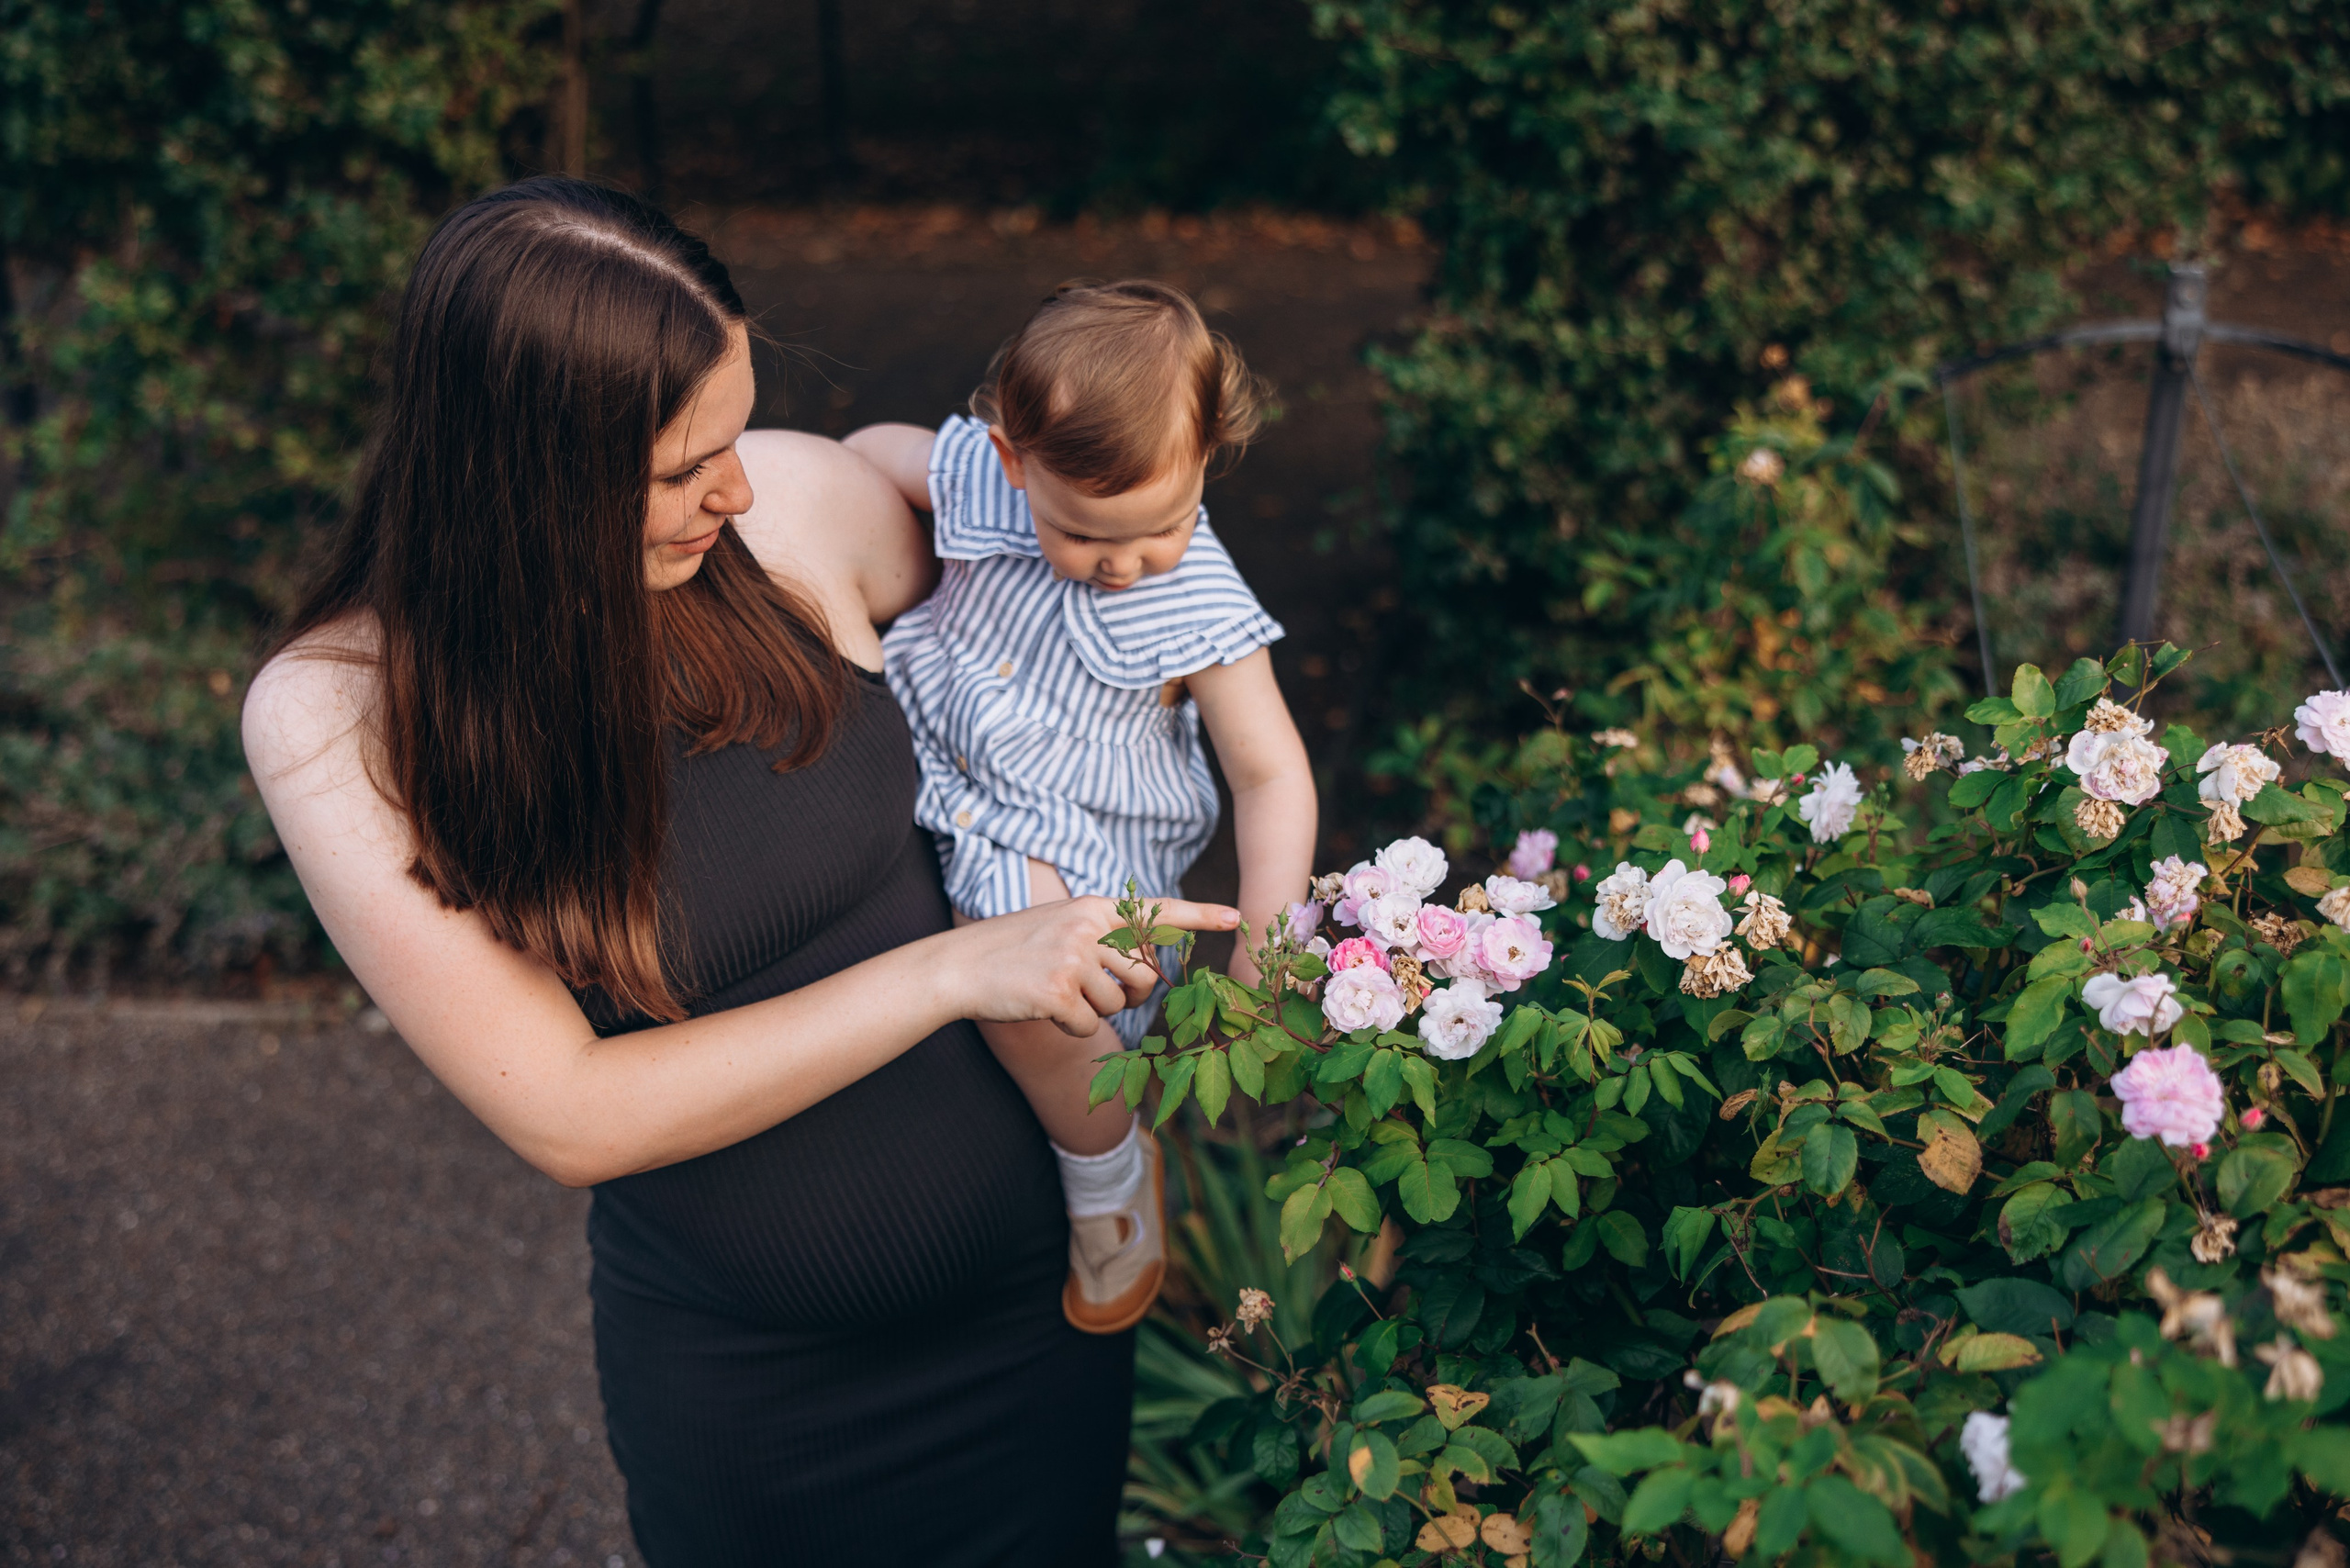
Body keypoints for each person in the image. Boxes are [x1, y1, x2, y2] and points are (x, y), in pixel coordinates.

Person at [240, 177, 1237, 1567]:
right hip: (767, 1405)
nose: (742, 482)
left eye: (738, 426)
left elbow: (1062, 552)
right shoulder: (347, 715)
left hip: (1034, 1312)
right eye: (680, 466)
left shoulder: (793, 520)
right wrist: (951, 970)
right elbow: (573, 1116)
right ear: (522, 473)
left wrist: (1167, 757)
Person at [845, 282, 1317, 1334]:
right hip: (936, 777)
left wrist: (1265, 946)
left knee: (1043, 992)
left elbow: (1270, 772)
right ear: (1013, 461)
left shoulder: (1194, 595)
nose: (1126, 562)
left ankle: (1106, 1179)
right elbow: (874, 451)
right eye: (1086, 535)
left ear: (1203, 464)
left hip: (1077, 846)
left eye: (1163, 523)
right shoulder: (982, 475)